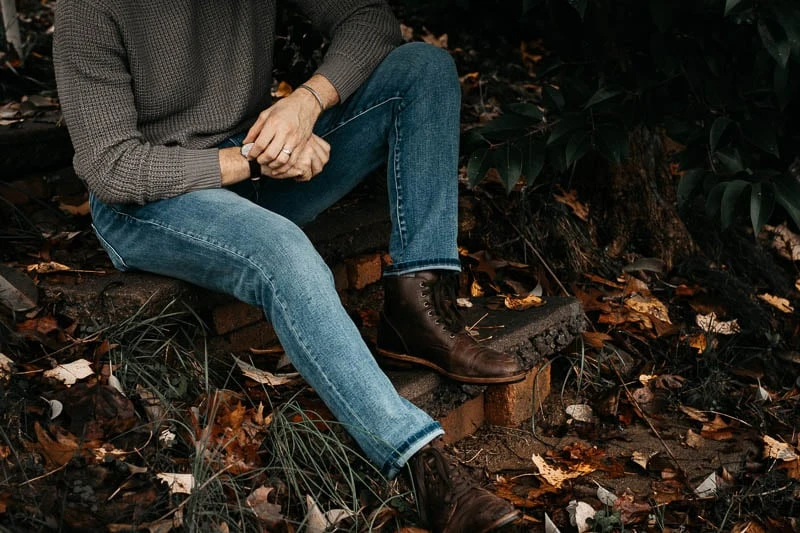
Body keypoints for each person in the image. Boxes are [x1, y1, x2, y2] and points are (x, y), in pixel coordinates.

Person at [53, 1, 526, 530]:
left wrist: (305, 103)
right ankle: (419, 460)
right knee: (282, 248)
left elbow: (369, 19)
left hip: (257, 156)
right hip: (150, 199)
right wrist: (255, 160)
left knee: (423, 68)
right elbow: (111, 168)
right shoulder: (88, 9)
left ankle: (417, 310)